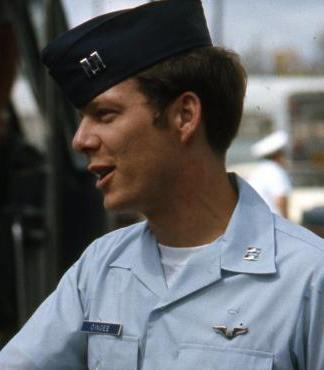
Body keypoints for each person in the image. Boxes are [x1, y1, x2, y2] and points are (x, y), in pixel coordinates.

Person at [0, 1, 324, 369]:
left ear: (184, 116)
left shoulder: (308, 280)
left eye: (104, 114)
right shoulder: (100, 268)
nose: (81, 140)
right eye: (81, 119)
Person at [247, 130, 292, 217]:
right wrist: (288, 224)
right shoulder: (276, 171)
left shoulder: (259, 170)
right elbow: (281, 199)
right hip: (272, 223)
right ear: (278, 155)